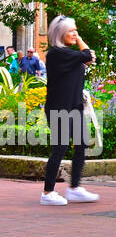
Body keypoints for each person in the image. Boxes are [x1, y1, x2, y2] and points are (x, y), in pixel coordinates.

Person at [39, 16, 99, 206]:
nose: (75, 33)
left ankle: (74, 188)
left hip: (75, 106)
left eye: (76, 30)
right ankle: (47, 192)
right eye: (71, 31)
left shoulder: (69, 54)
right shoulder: (56, 53)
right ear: (60, 33)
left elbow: (90, 57)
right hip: (60, 108)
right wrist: (80, 40)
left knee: (81, 145)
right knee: (60, 148)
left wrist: (77, 39)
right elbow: (89, 55)